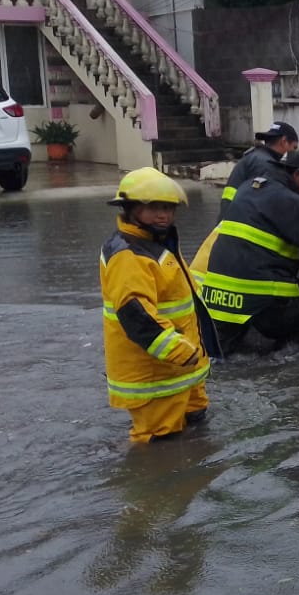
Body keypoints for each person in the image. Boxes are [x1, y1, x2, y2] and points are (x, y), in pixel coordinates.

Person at [100, 167, 214, 444]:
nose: (163, 215)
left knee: (197, 436)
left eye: (168, 208)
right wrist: (178, 350)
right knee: (159, 448)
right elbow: (136, 314)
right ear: (129, 209)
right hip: (156, 378)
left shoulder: (156, 245)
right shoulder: (129, 255)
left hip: (182, 370)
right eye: (153, 208)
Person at [199, 150, 299, 355]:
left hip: (219, 295)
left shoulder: (246, 188)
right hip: (262, 296)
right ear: (297, 175)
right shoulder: (287, 199)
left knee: (220, 355)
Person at [220, 121, 299, 218]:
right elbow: (272, 203)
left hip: (230, 218)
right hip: (240, 222)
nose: (295, 153)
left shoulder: (254, 157)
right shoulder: (267, 166)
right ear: (283, 142)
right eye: (294, 148)